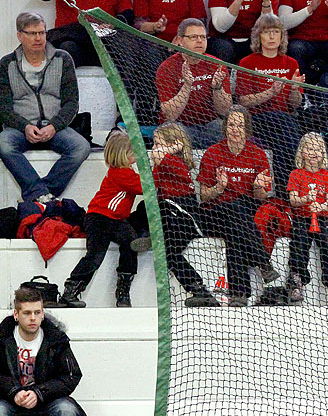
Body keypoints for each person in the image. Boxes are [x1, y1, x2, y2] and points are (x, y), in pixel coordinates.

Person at [0, 12, 89, 203]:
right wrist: (24, 126)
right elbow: (4, 108)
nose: (38, 38)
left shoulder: (62, 59)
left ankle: (41, 193)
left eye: (41, 32)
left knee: (81, 147)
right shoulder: (7, 64)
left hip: (55, 127)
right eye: (32, 33)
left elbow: (71, 102)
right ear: (19, 35)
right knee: (3, 143)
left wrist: (54, 126)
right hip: (20, 129)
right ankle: (40, 193)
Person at [197, 106, 279, 307]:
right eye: (231, 124)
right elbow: (204, 196)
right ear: (225, 128)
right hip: (215, 212)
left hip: (244, 213)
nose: (235, 129)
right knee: (234, 211)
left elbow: (261, 197)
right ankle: (262, 262)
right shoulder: (212, 153)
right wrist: (219, 187)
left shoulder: (258, 155)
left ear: (247, 129)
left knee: (235, 230)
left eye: (240, 125)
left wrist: (258, 187)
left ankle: (239, 294)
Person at [56, 132, 142, 309]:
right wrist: (157, 168)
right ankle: (71, 290)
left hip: (118, 219)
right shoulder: (121, 174)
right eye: (133, 153)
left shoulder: (127, 172)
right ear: (123, 156)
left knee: (131, 243)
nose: (137, 156)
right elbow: (145, 187)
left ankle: (123, 288)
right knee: (95, 253)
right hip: (99, 217)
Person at [130, 0, 206, 125]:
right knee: (148, 54)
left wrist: (181, 40)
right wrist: (155, 27)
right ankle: (148, 117)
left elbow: (199, 20)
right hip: (154, 41)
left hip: (184, 41)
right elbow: (138, 23)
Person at [144, 122, 219, 307]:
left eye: (157, 143)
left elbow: (159, 157)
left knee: (162, 208)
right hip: (171, 218)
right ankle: (199, 290)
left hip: (185, 217)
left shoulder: (175, 161)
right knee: (167, 252)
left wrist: (172, 149)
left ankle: (150, 234)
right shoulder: (162, 164)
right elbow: (152, 186)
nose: (153, 148)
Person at [236, 14, 305, 196]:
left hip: (284, 122)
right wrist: (270, 93)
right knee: (286, 130)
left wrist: (294, 89)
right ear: (259, 36)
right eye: (267, 32)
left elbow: (295, 103)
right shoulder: (247, 63)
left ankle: (286, 192)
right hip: (257, 120)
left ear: (282, 36)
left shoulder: (291, 63)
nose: (272, 37)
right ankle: (288, 192)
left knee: (284, 140)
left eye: (276, 32)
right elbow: (244, 101)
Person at [0, 287, 89, 416]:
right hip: (10, 401)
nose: (33, 318)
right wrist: (14, 392)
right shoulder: (2, 338)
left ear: (43, 313)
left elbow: (71, 376)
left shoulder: (56, 339)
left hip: (47, 401)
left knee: (67, 411)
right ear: (16, 314)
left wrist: (38, 393)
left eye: (37, 312)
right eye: (27, 313)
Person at [155, 18, 232, 148]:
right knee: (176, 132)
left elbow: (225, 111)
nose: (200, 41)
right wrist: (187, 85)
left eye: (203, 37)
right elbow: (170, 115)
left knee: (222, 127)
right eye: (193, 37)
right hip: (178, 126)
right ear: (180, 41)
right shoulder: (166, 68)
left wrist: (217, 88)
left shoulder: (217, 65)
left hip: (209, 125)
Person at [285, 132, 328, 304]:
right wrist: (306, 199)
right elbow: (293, 200)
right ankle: (296, 279)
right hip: (302, 217)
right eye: (309, 148)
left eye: (317, 149)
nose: (313, 152)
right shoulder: (296, 174)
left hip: (322, 218)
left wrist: (320, 206)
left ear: (323, 153)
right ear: (302, 152)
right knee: (299, 240)